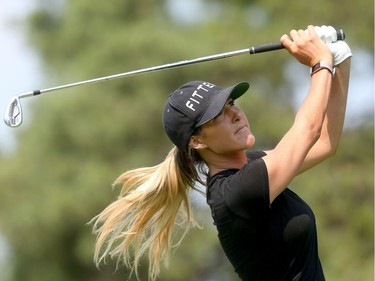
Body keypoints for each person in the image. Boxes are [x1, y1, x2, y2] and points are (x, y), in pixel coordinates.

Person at [91, 25, 352, 281]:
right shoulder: (236, 194)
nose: (236, 114)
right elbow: (308, 131)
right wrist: (320, 64)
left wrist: (339, 60)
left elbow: (325, 143)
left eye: (231, 104)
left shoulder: (250, 166)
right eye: (219, 115)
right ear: (197, 141)